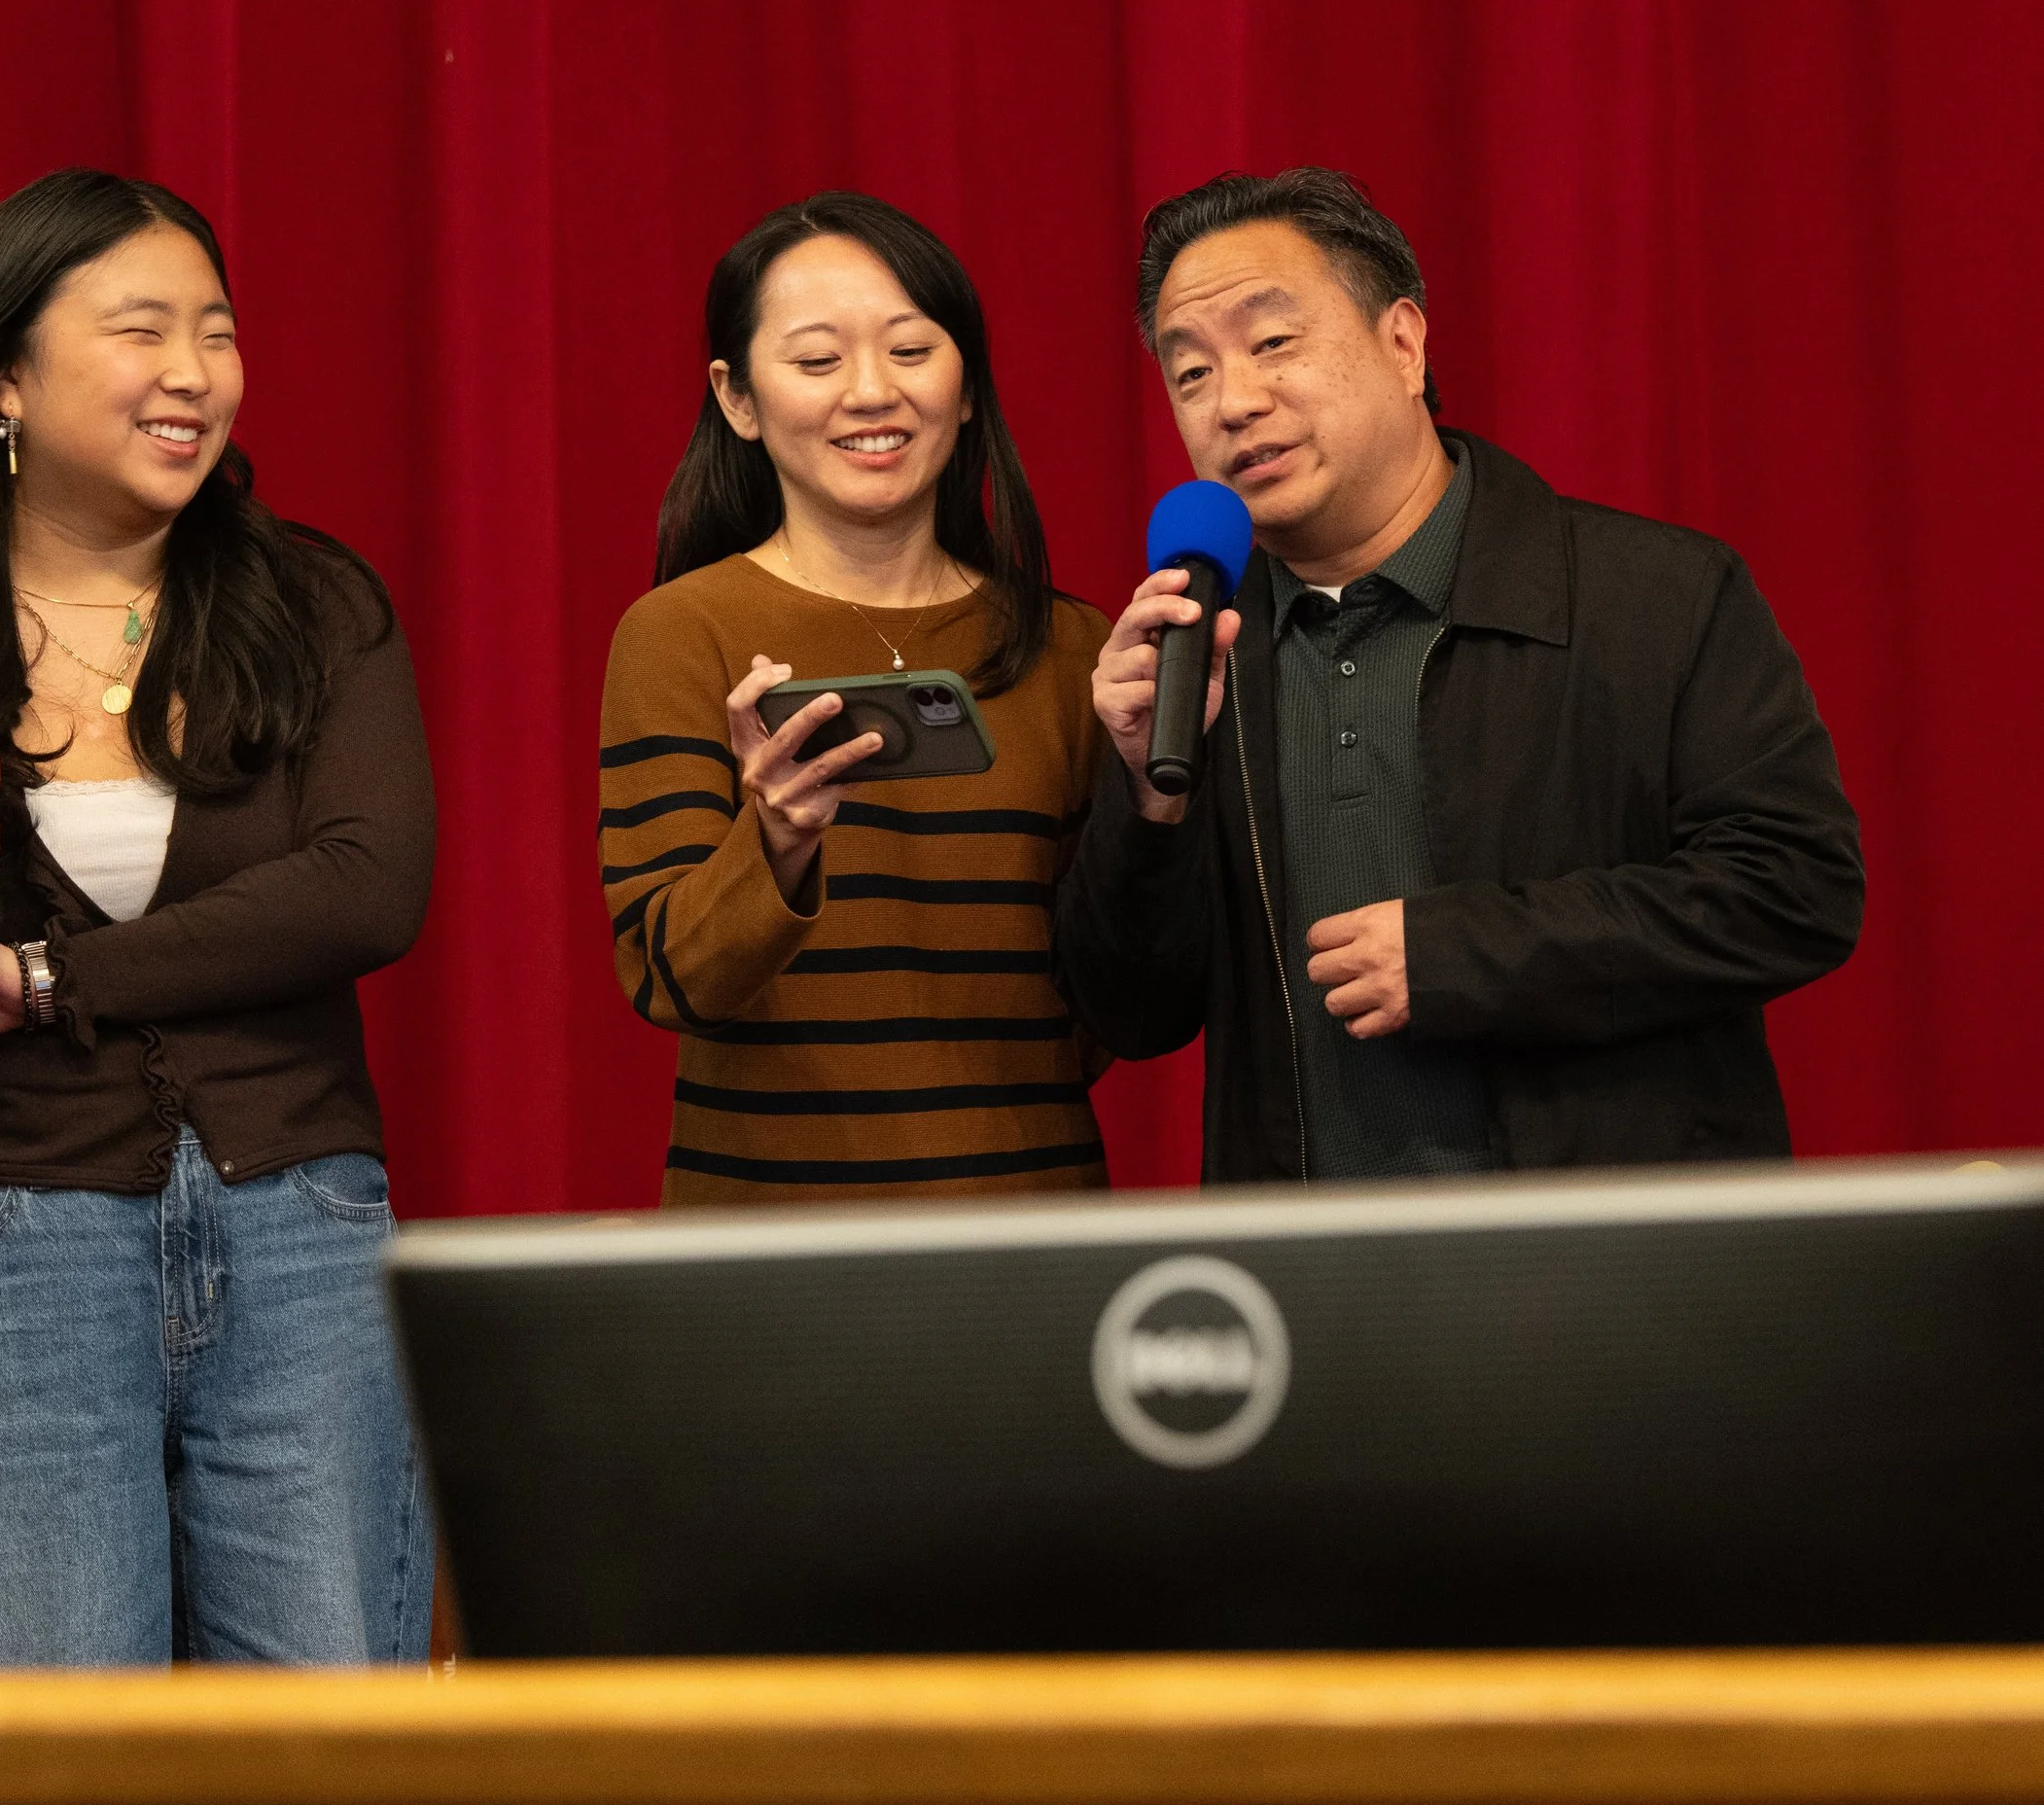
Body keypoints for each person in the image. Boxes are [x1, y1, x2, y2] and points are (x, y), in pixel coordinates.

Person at [0, 169, 435, 1665]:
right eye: (141, 331)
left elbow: (365, 886)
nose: (194, 372)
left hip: (300, 1228)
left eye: (218, 332)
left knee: (325, 1764)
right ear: (2, 371)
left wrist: (45, 974)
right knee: (35, 1769)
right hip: (4, 1242)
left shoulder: (317, 607)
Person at [1054, 167, 1862, 1180]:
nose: (1235, 402)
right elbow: (1131, 1011)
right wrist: (1146, 797)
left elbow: (1795, 890)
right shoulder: (1196, 652)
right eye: (1190, 374)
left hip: (1606, 1256)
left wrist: (1459, 956)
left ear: (1403, 343)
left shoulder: (1654, 595)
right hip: (1310, 1265)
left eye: (1273, 342)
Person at [599, 193, 1114, 1200]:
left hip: (1027, 1229)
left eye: (911, 351)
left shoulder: (1072, 648)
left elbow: (1110, 1000)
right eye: (817, 361)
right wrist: (776, 842)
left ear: (967, 386)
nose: (872, 392)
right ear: (738, 400)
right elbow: (669, 979)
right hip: (770, 1244)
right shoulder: (679, 633)